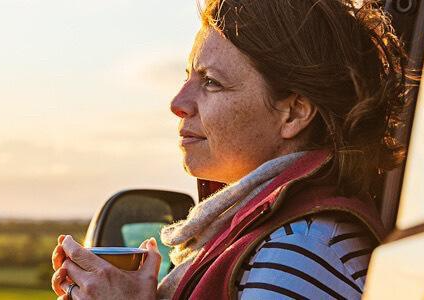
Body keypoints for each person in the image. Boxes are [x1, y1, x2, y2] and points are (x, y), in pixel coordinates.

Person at [51, 0, 413, 299]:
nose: (178, 102)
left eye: (211, 82)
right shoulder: (280, 239)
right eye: (188, 76)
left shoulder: (299, 252)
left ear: (294, 113)